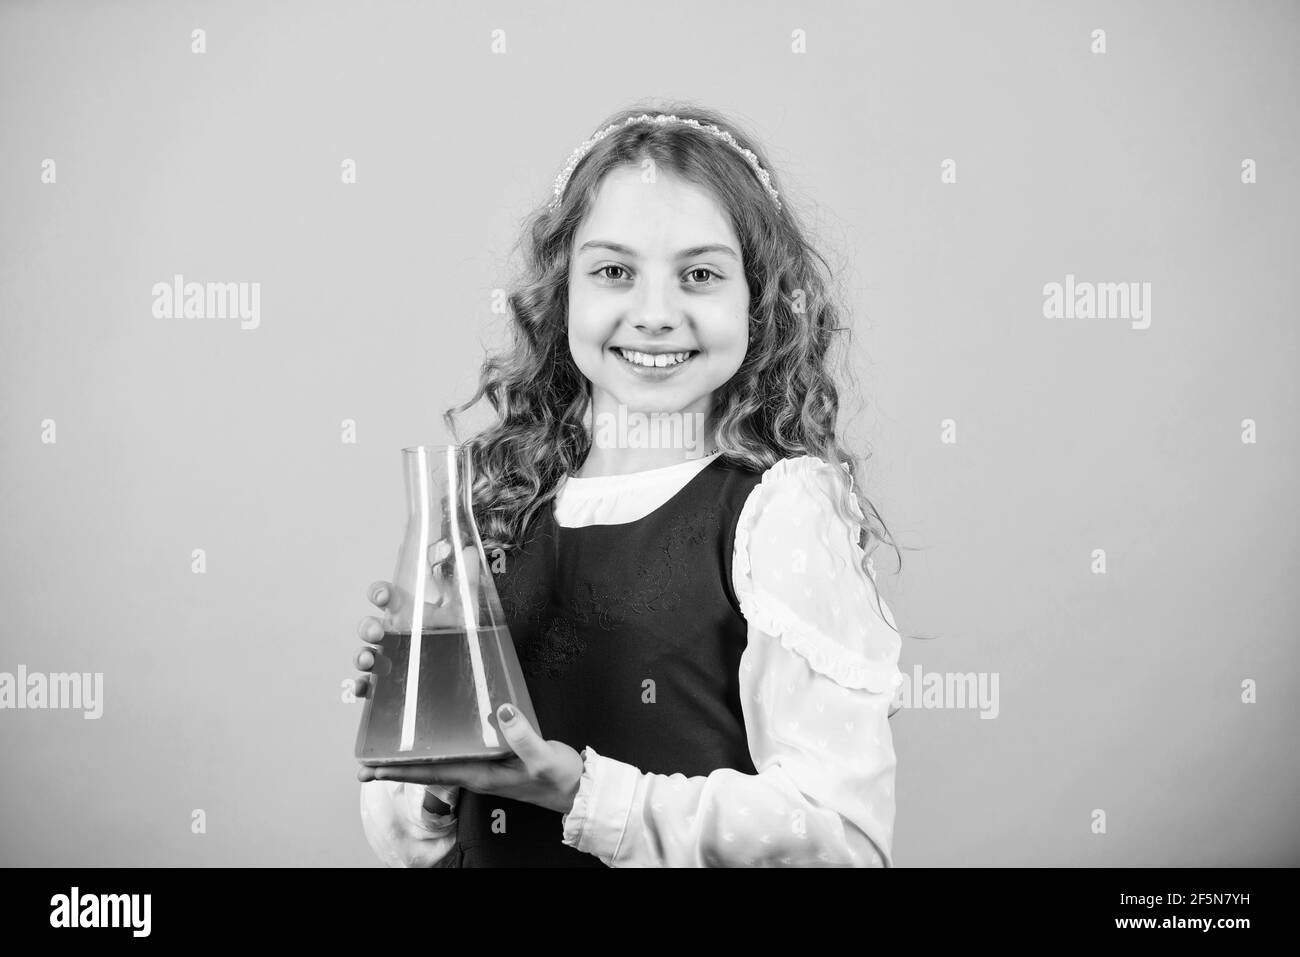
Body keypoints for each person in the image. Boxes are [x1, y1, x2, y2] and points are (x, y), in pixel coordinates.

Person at [351, 103, 906, 867]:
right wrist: (435, 754)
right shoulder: (498, 500)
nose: (653, 314)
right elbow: (407, 842)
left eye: (701, 274)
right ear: (562, 290)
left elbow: (840, 839)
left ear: (761, 299)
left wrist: (579, 792)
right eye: (614, 271)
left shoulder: (780, 510)